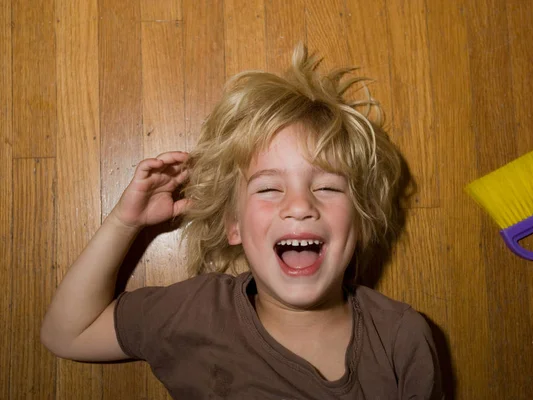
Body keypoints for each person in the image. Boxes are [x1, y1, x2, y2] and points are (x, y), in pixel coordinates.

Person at [41, 43, 444, 399]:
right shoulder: (195, 313)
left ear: (361, 222)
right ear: (233, 225)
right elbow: (67, 334)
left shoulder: (401, 338)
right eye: (269, 189)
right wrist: (124, 222)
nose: (300, 205)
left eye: (328, 188)